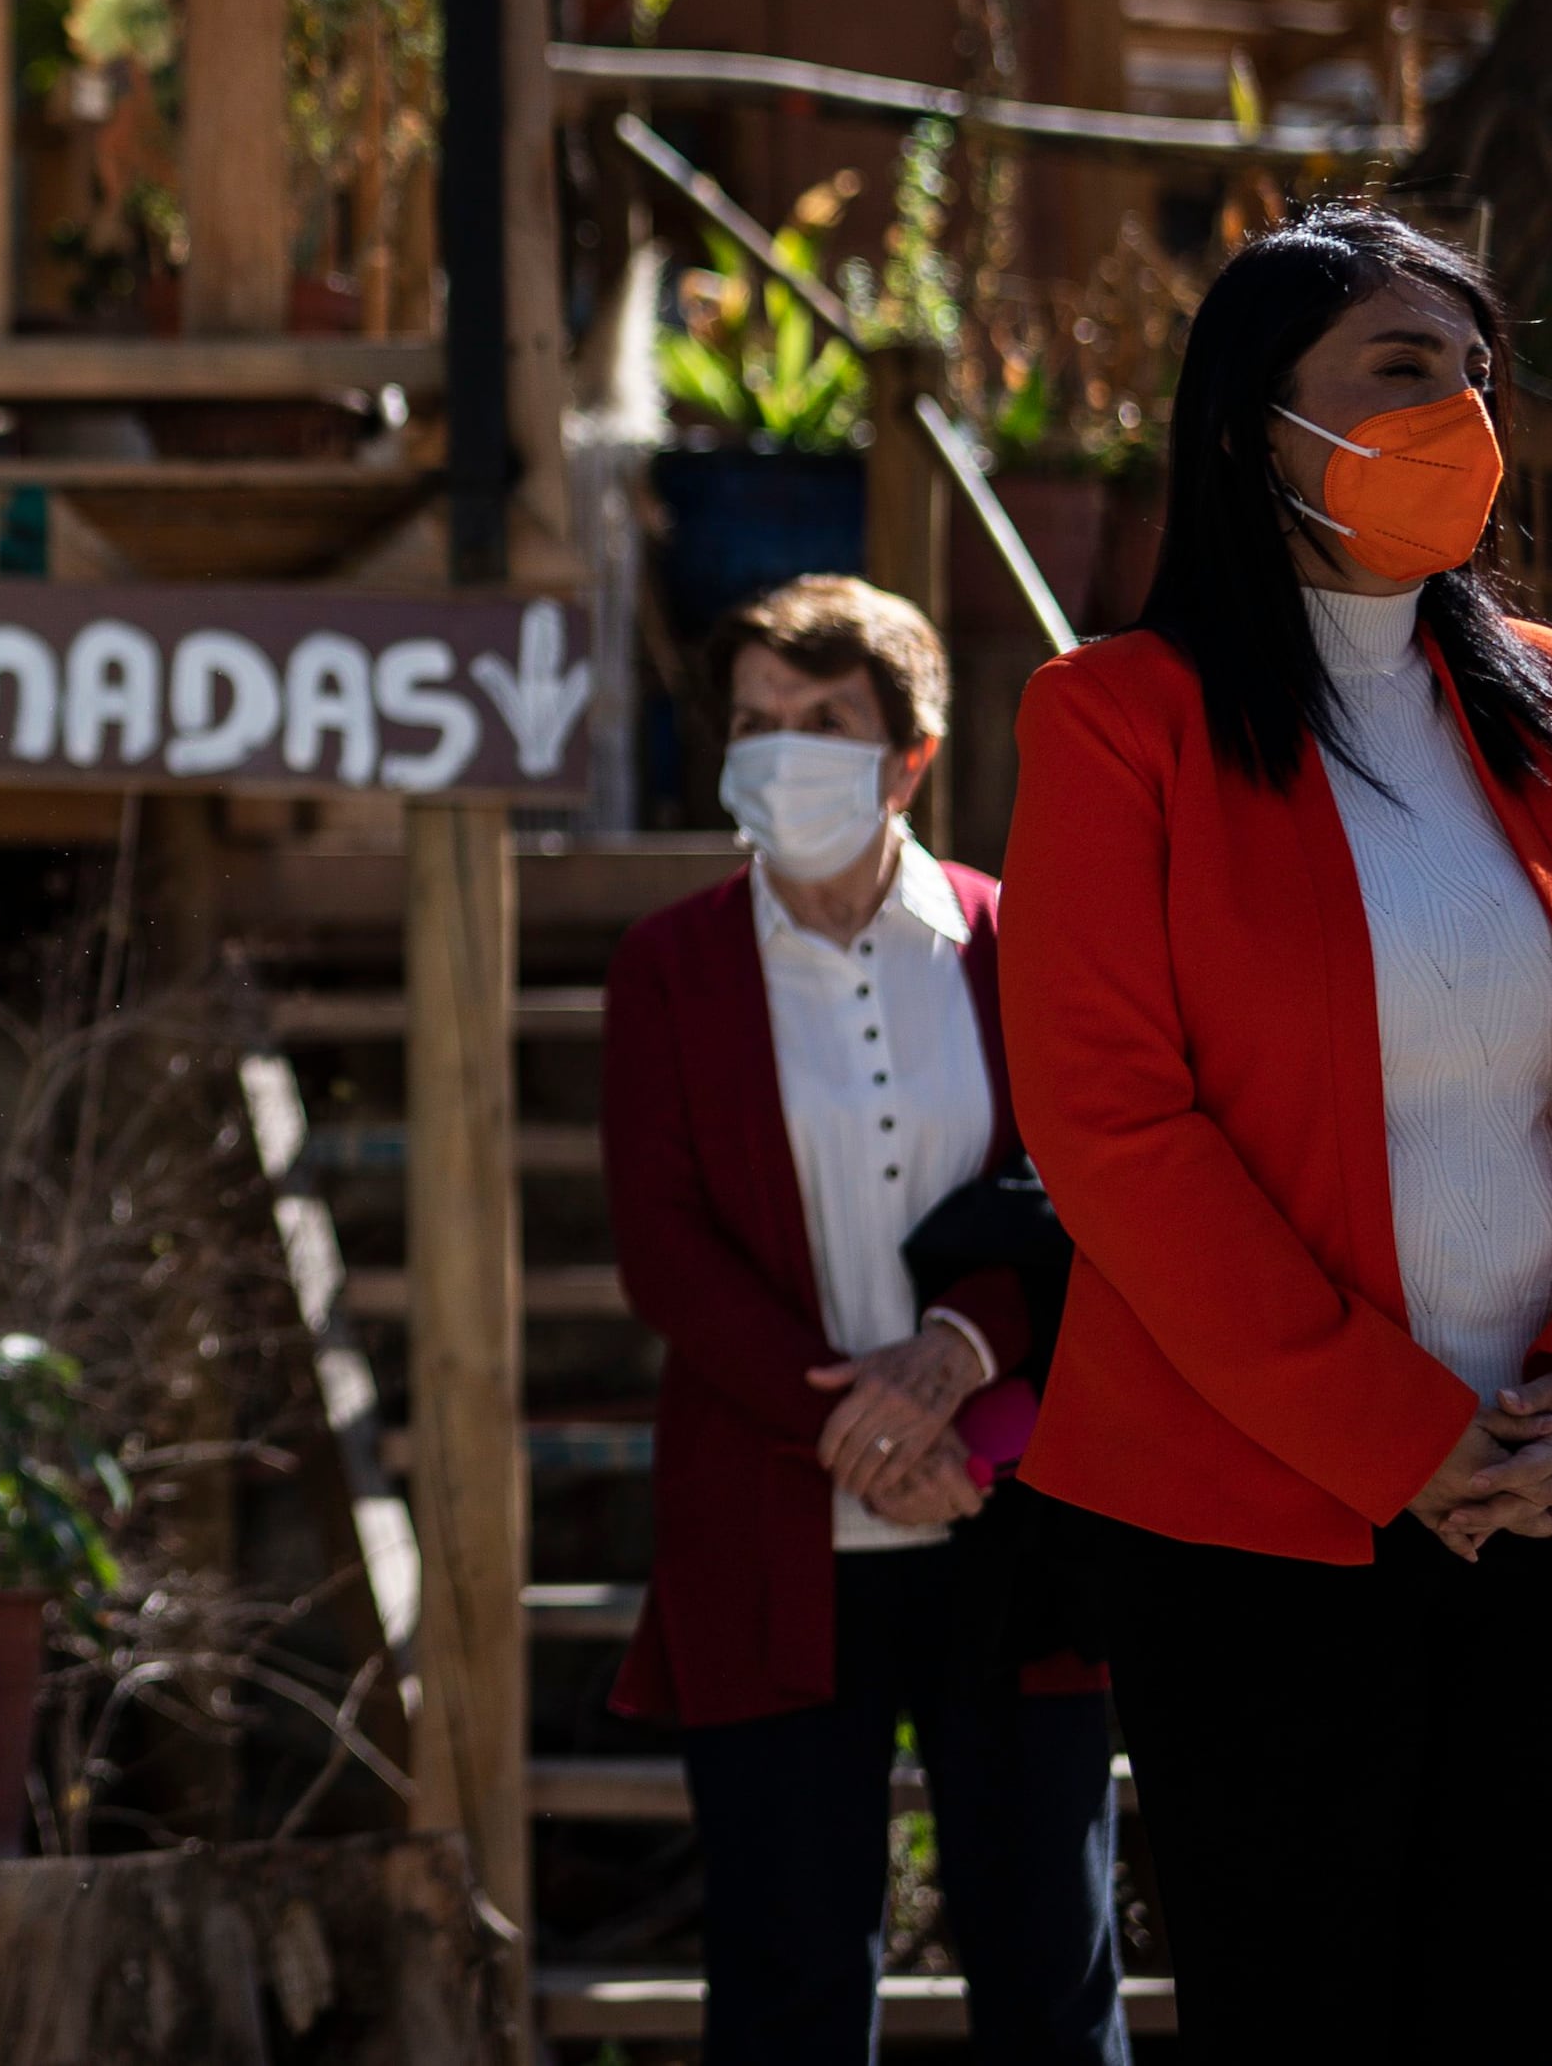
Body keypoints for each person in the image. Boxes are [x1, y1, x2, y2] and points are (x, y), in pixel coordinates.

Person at [1002, 205, 1552, 2062]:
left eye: (1475, 370)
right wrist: (1399, 1436)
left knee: (1512, 2017)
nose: (1465, 413)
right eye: (1402, 370)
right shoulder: (1117, 721)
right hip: (1260, 1519)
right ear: (1258, 421)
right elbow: (1114, 1130)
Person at [602, 575, 1123, 2066]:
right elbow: (668, 1253)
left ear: (910, 753)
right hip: (773, 1533)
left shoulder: (1022, 943)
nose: (779, 751)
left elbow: (1076, 1192)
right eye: (755, 721)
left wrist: (952, 1359)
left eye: (822, 720)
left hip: (1006, 1524)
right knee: (790, 1991)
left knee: (1052, 1975)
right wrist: (861, 1427)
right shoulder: (669, 968)